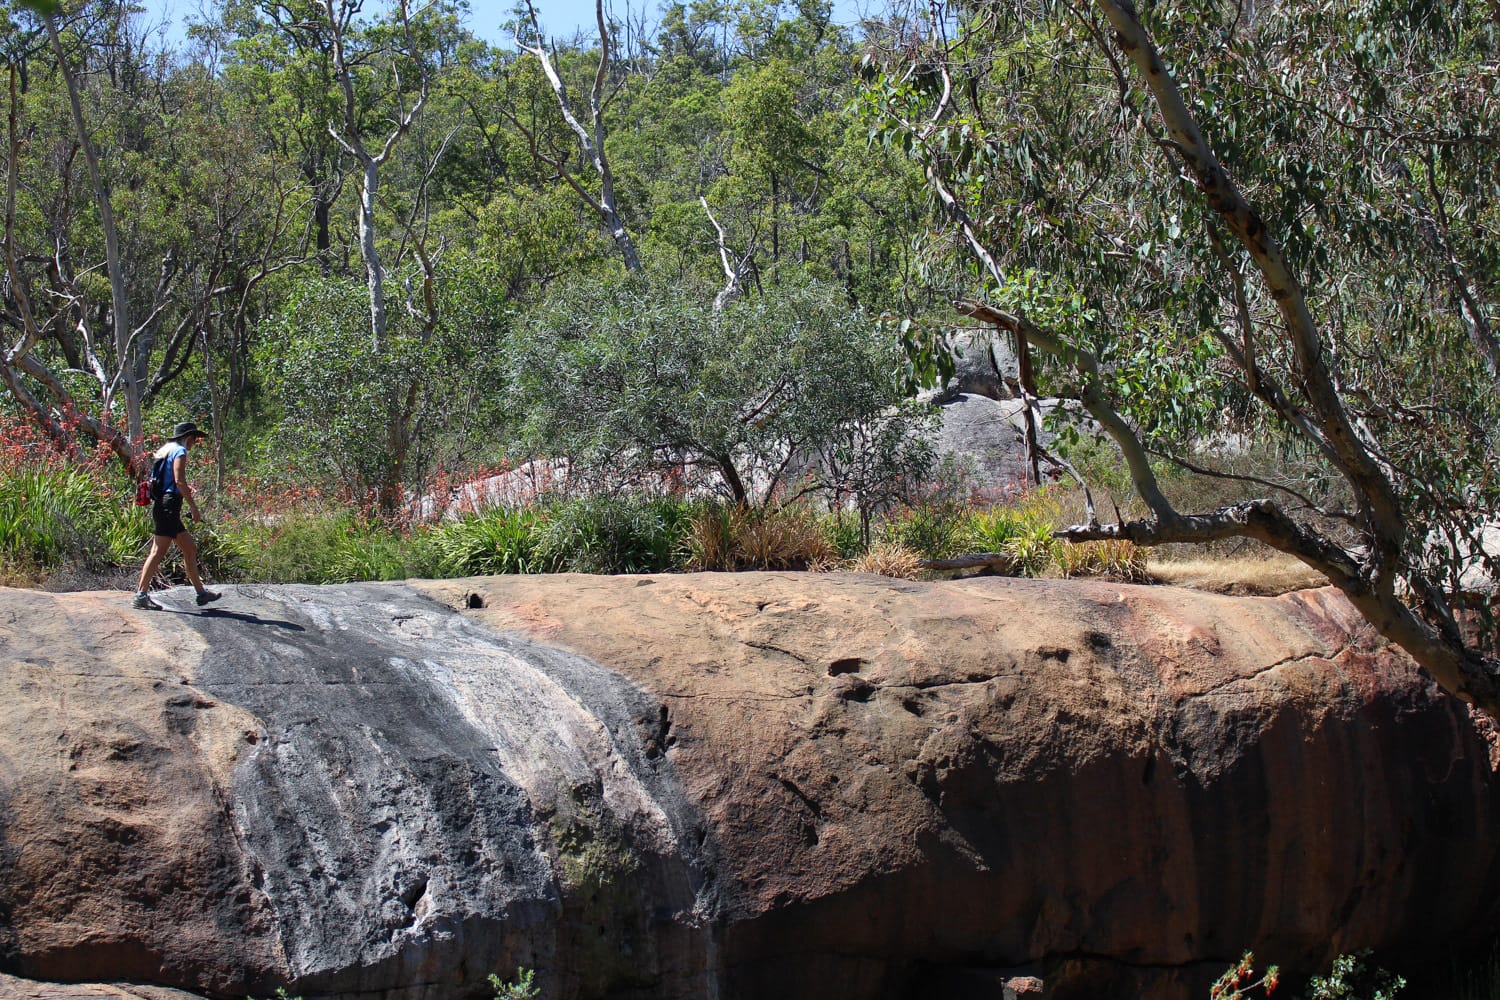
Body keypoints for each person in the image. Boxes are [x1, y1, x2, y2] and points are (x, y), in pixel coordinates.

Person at [132, 421, 221, 610]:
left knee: (189, 548)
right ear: (188, 438)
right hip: (169, 506)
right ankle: (141, 595)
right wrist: (194, 507)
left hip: (163, 505)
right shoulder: (179, 451)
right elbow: (179, 480)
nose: (194, 443)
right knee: (158, 552)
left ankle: (201, 593)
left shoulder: (164, 449)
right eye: (194, 439)